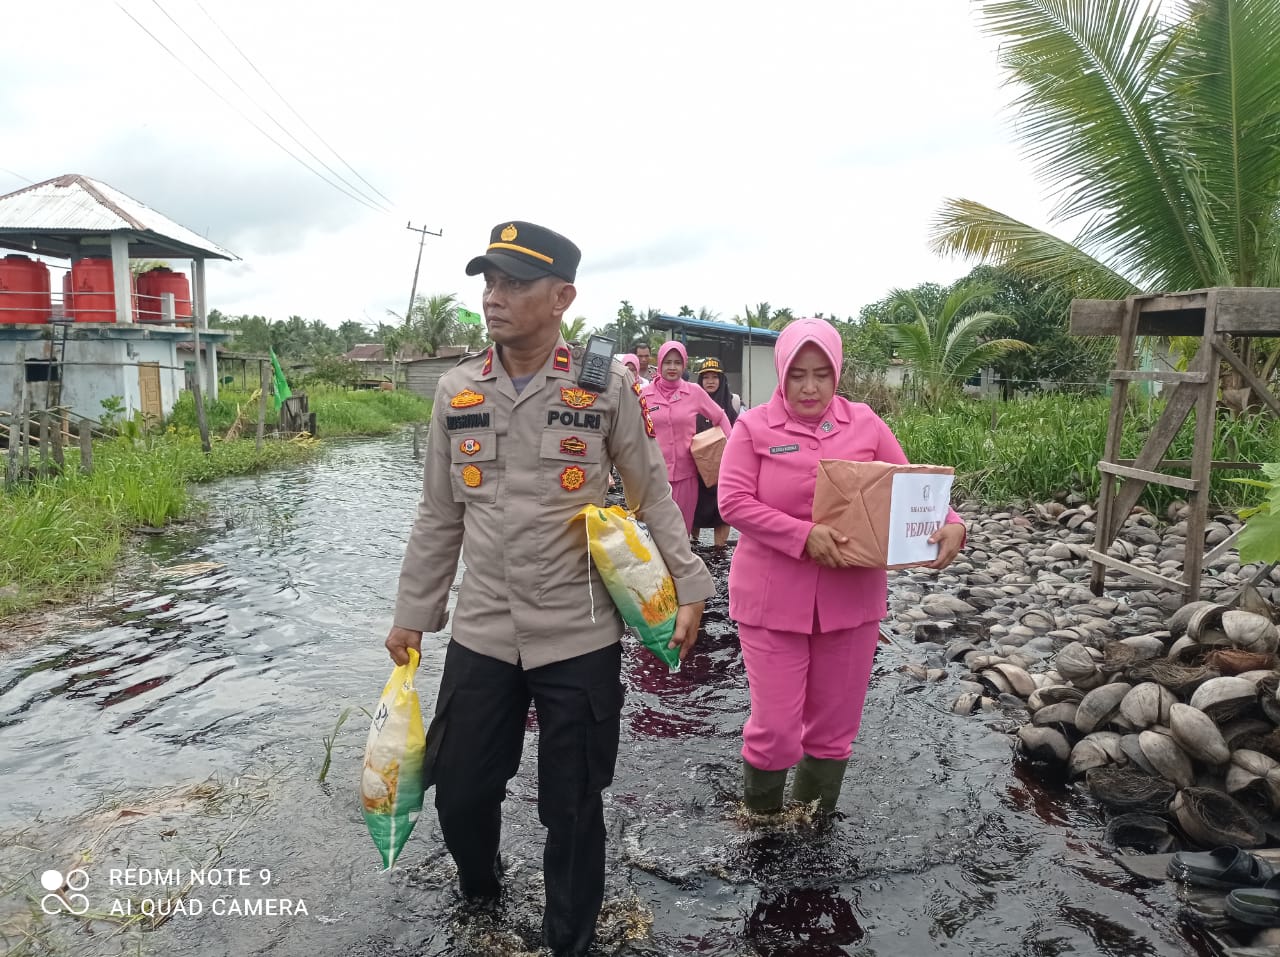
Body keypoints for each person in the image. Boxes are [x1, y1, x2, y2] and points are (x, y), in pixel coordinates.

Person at [385, 221, 714, 957]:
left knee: (572, 803)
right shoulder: (457, 390)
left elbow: (651, 490)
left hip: (578, 629)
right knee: (461, 790)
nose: (493, 297)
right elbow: (438, 513)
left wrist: (689, 583)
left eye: (513, 283)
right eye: (489, 282)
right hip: (484, 628)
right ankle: (482, 890)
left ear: (562, 297)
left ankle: (570, 942)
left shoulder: (603, 386)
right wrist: (413, 614)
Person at [717, 317, 965, 815]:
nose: (809, 387)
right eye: (797, 375)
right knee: (776, 731)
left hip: (851, 602)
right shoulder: (753, 427)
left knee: (833, 733)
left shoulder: (865, 423)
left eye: (821, 374)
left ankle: (812, 825)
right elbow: (733, 502)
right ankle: (761, 824)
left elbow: (911, 487)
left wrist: (953, 522)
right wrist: (803, 535)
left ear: (837, 373)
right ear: (781, 374)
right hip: (770, 600)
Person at [641, 341, 734, 534]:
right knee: (654, 531)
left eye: (677, 362)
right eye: (667, 362)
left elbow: (720, 416)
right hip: (653, 475)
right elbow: (631, 428)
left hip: (686, 476)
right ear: (659, 364)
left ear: (684, 365)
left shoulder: (694, 392)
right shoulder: (644, 395)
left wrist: (731, 450)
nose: (672, 367)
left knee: (682, 531)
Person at [691, 356, 741, 551]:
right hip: (696, 468)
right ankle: (693, 546)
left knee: (721, 512)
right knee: (693, 510)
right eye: (706, 377)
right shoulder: (691, 401)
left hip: (723, 470)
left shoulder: (733, 403)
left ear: (722, 380)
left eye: (715, 377)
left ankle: (719, 551)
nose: (710, 381)